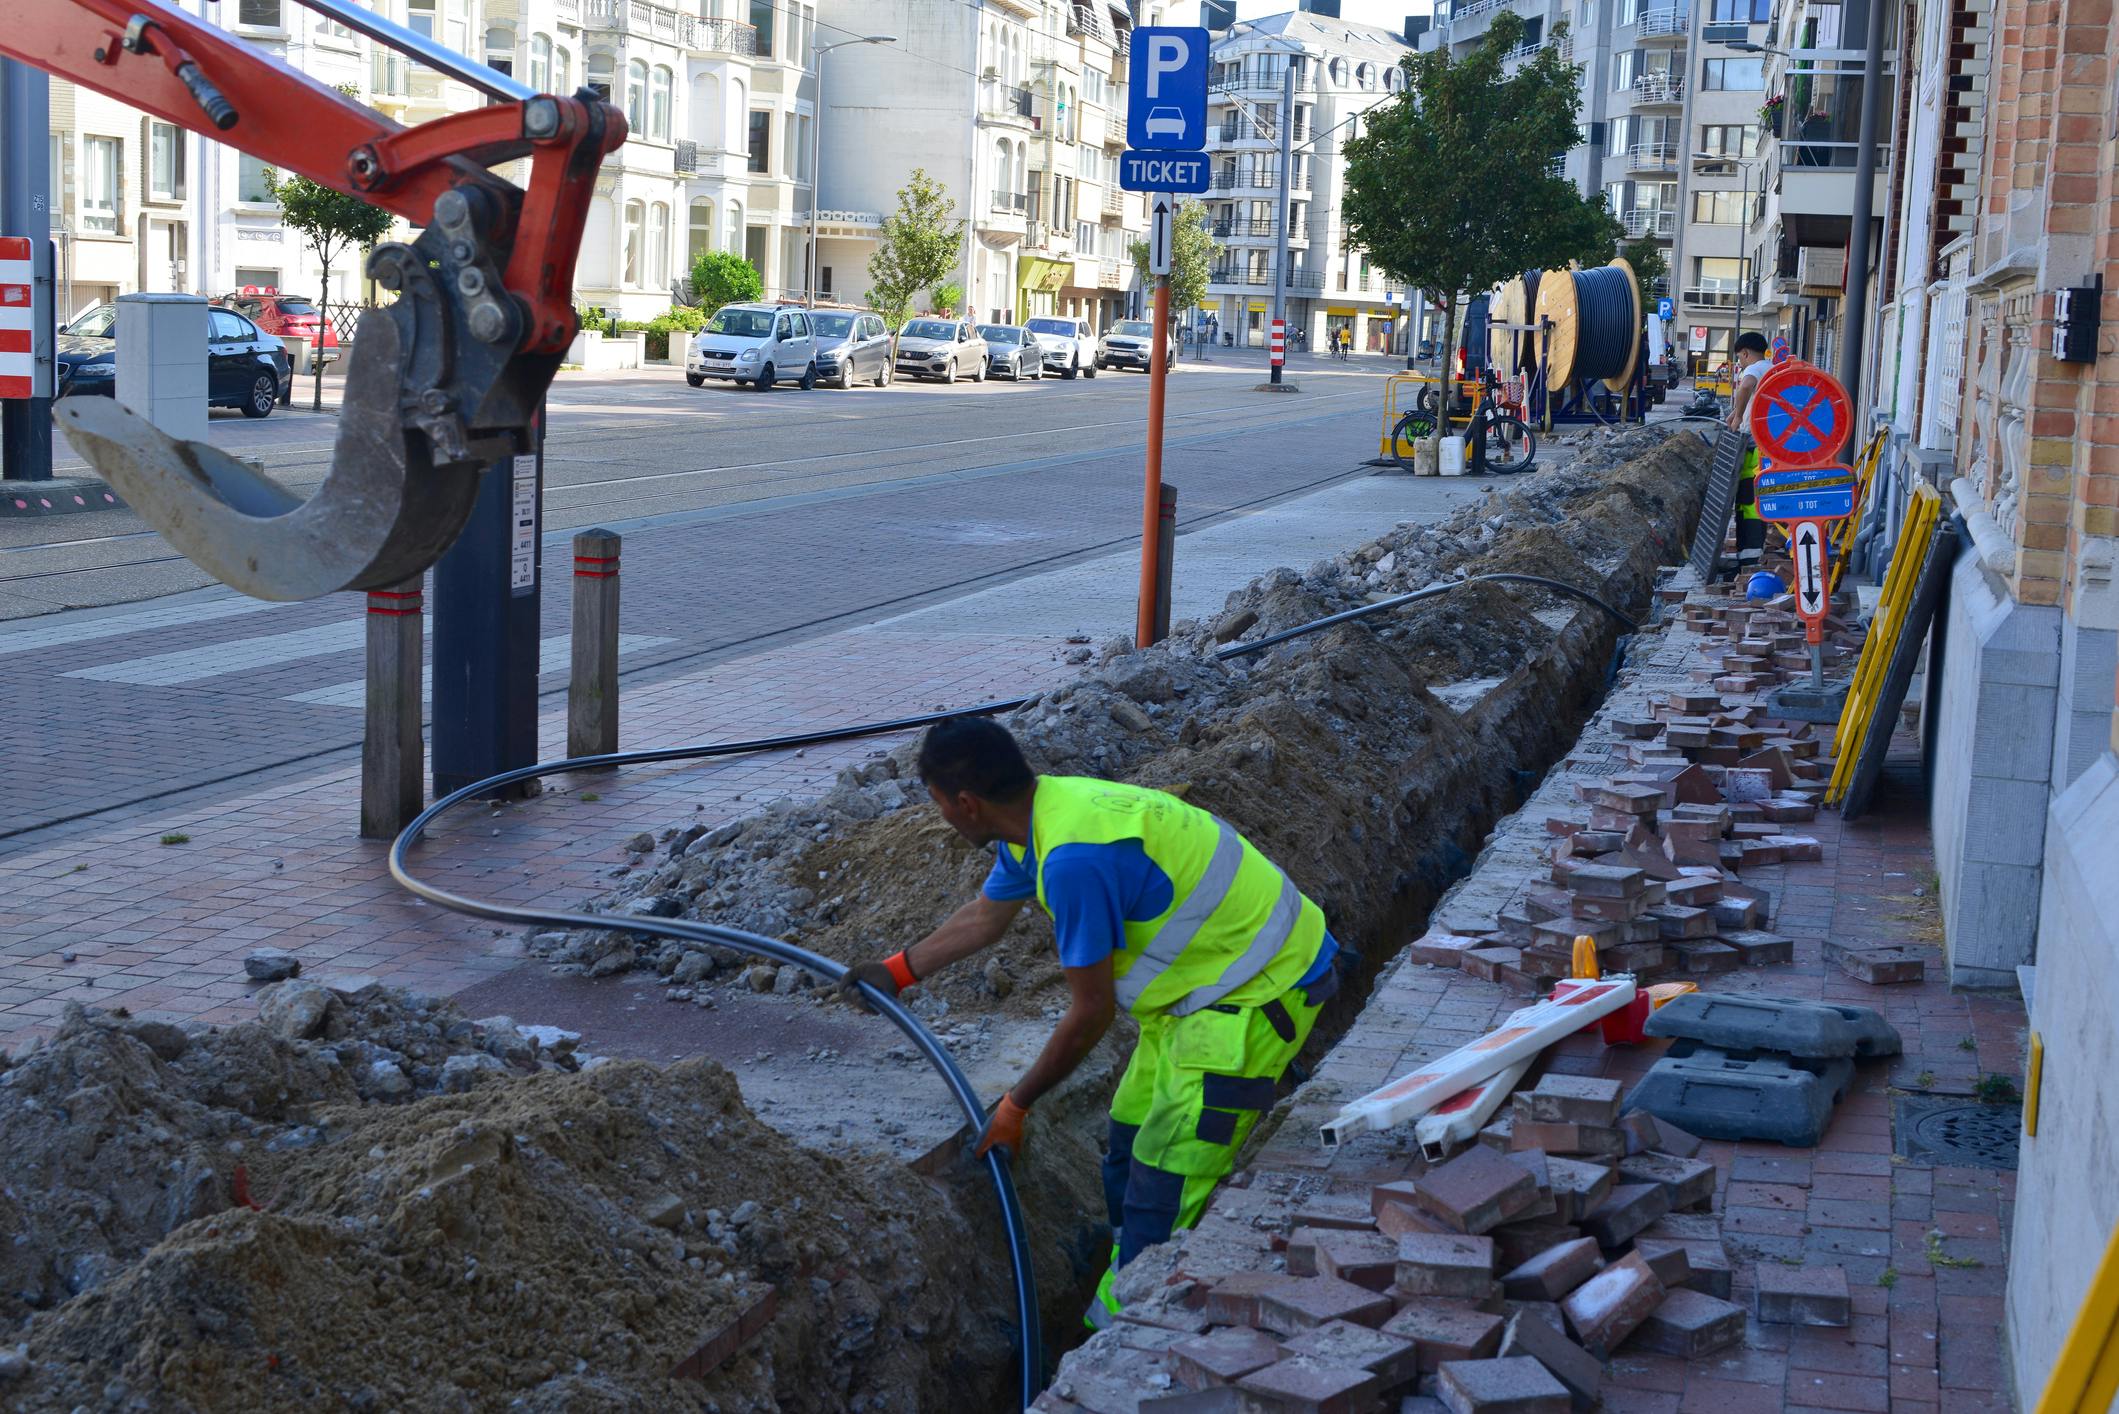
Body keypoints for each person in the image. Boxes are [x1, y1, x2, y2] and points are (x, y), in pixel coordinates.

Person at [840, 718, 1342, 1328]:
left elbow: (1091, 1013)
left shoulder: (1075, 861)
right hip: (1198, 996)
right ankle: (1127, 1277)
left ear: (966, 804)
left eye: (939, 802)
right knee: (1127, 1152)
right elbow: (985, 917)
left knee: (1165, 1185)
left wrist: (1016, 1105)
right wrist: (897, 970)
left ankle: (1129, 1336)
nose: (941, 814)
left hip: (1259, 993)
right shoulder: (1044, 816)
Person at [1727, 330, 1772, 564]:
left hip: (1753, 447)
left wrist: (1738, 416)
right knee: (1758, 501)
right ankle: (1753, 553)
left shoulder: (1753, 369)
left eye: (1739, 358)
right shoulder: (1773, 368)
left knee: (1747, 501)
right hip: (1768, 446)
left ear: (1745, 353)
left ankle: (1748, 558)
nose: (1740, 363)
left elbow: (1746, 386)